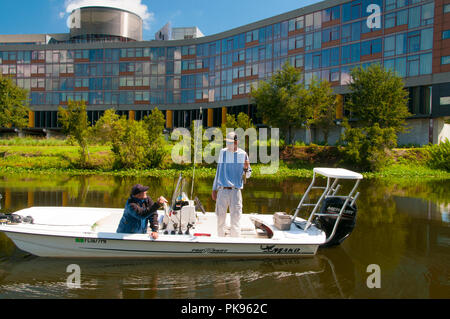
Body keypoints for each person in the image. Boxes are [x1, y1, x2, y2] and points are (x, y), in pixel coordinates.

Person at [212, 132, 252, 237]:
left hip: (236, 191)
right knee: (220, 219)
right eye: (227, 142)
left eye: (231, 142)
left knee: (236, 220)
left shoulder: (243, 154)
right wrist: (214, 189)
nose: (228, 145)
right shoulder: (223, 152)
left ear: (236, 142)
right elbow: (218, 171)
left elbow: (247, 175)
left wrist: (246, 168)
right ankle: (221, 241)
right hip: (222, 190)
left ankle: (235, 243)